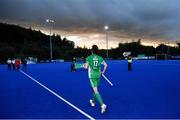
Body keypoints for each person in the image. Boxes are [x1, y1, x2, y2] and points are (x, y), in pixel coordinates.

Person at [84, 45, 108, 114]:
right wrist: (103, 72)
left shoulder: (89, 58)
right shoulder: (100, 58)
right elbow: (106, 65)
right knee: (95, 90)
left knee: (96, 91)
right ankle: (93, 101)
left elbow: (86, 67)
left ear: (91, 51)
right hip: (98, 75)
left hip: (92, 76)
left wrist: (84, 66)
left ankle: (102, 105)